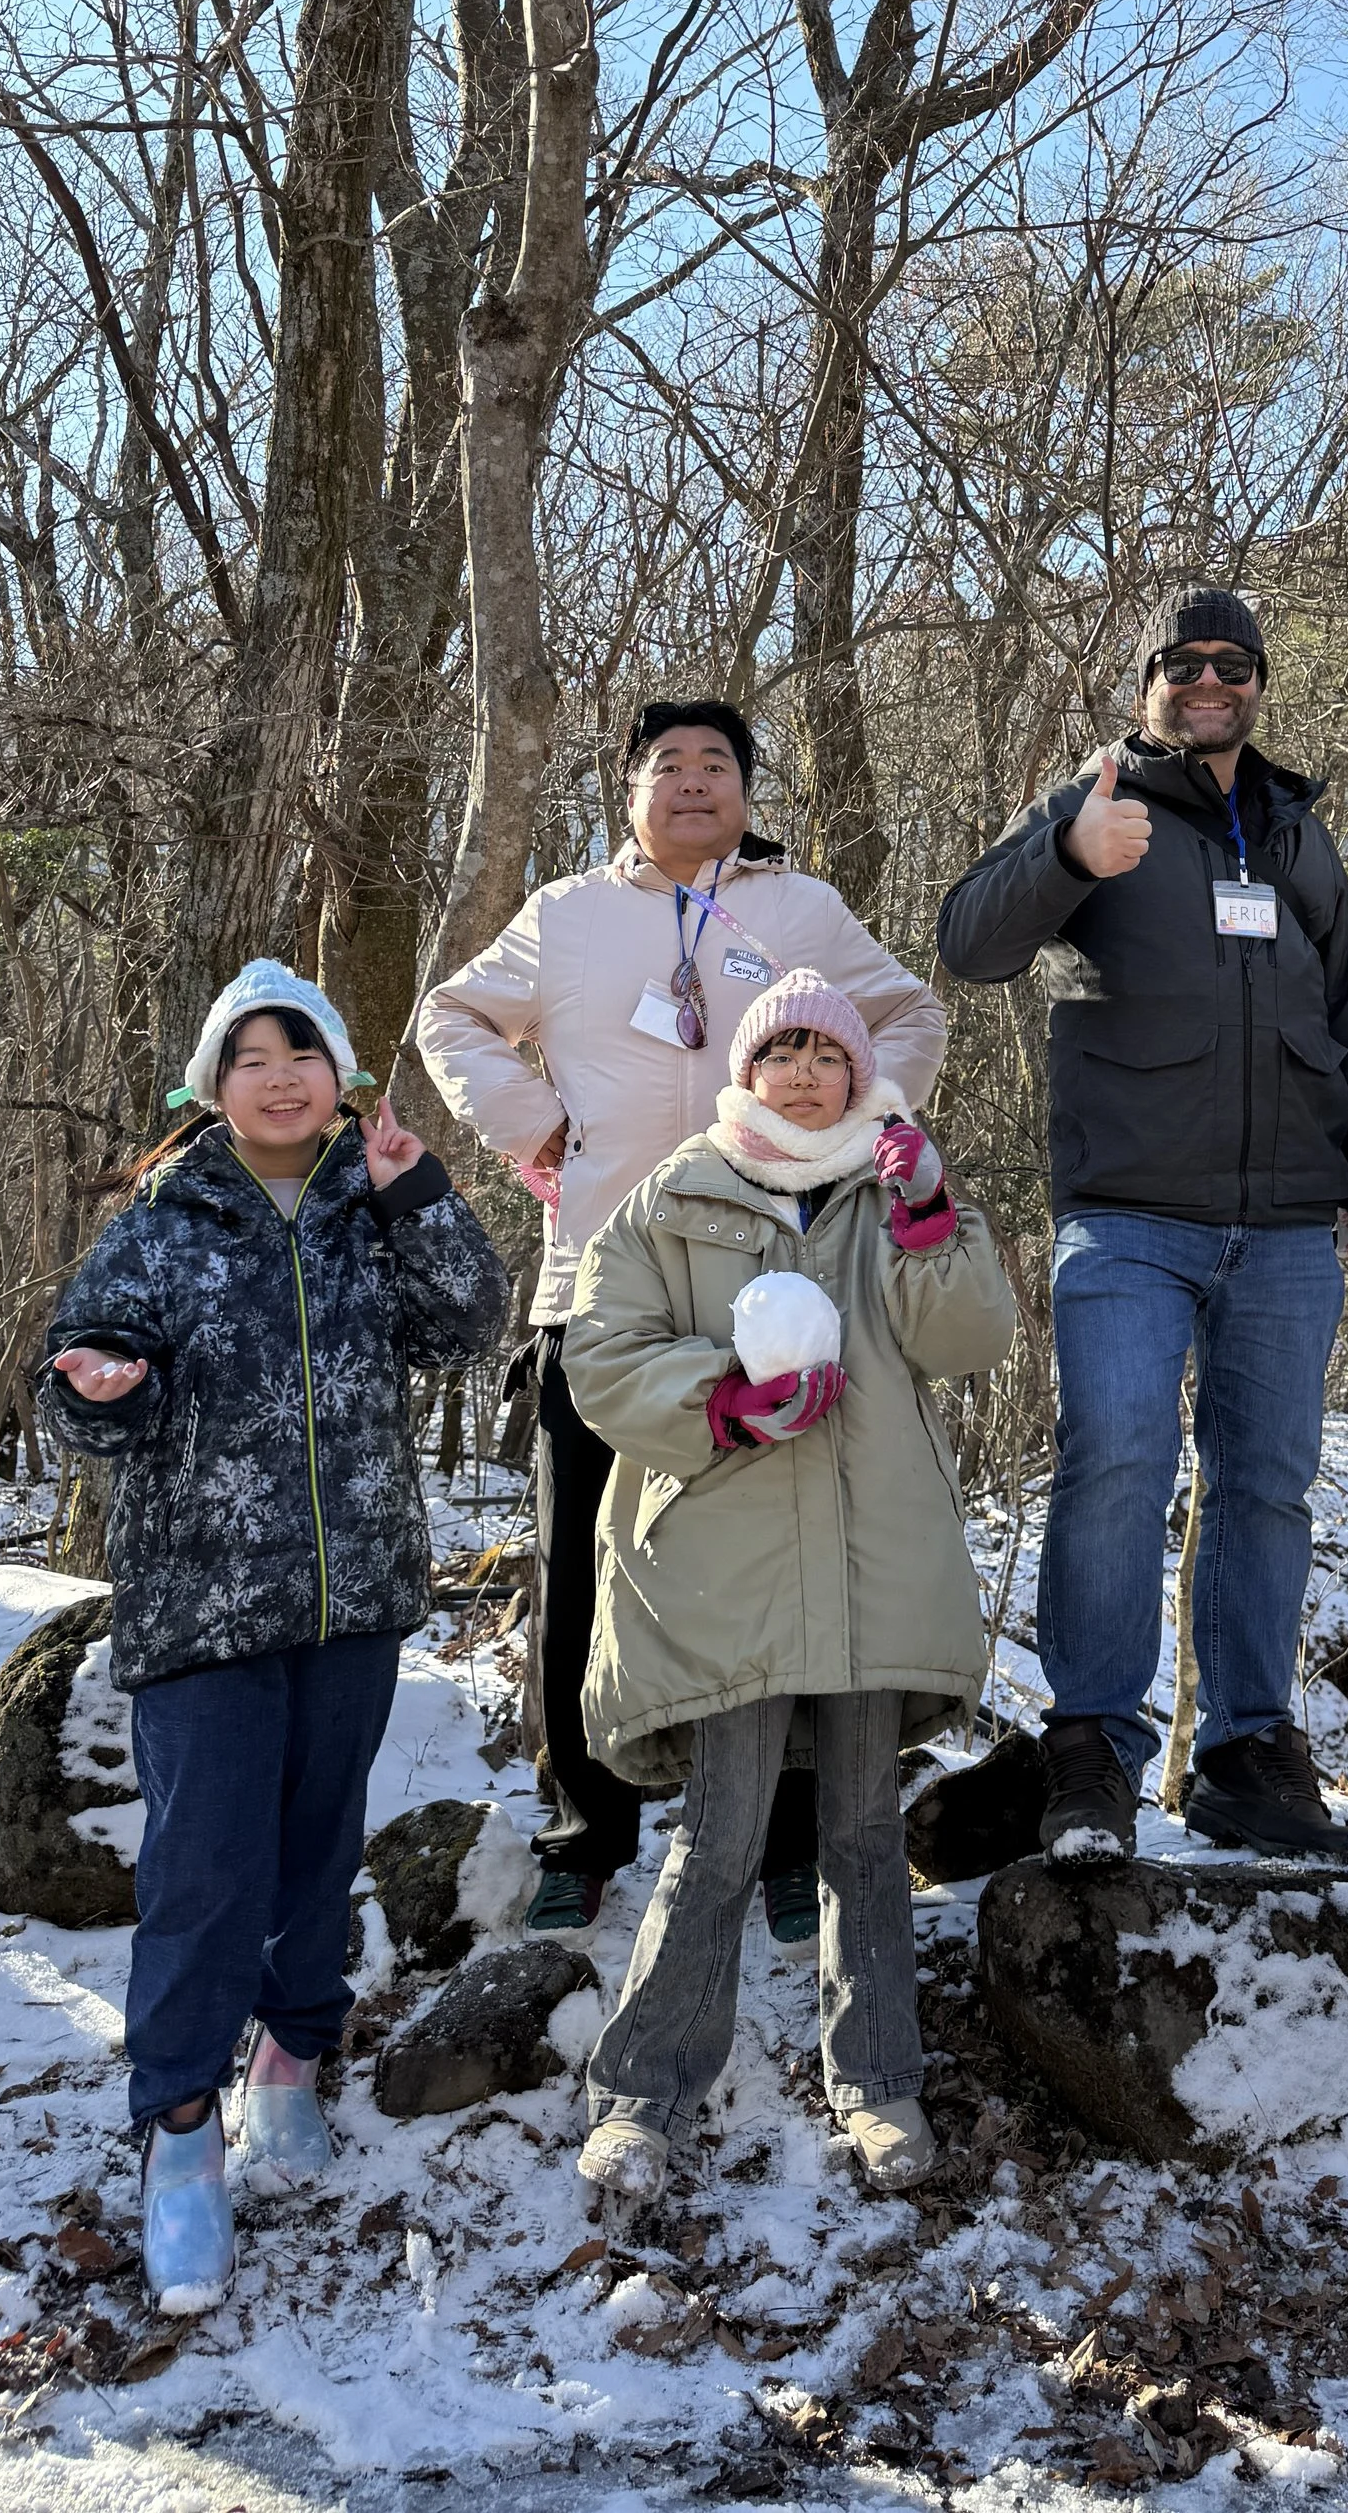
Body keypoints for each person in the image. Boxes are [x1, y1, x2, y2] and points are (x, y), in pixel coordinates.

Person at [415, 698, 946, 1941]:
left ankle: (782, 1839)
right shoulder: (565, 917)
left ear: (749, 793)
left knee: (788, 1567)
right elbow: (448, 1014)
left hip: (784, 1295)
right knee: (583, 1564)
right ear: (630, 791)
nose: (693, 782)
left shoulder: (800, 912)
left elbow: (911, 1013)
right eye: (669, 764)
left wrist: (856, 1125)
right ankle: (584, 1828)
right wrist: (530, 1123)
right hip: (597, 1289)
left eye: (718, 763)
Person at [42, 960, 510, 2313]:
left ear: (339, 1077)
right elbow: (80, 1387)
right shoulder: (160, 1221)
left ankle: (294, 2057)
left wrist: (420, 1186)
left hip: (351, 1595)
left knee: (315, 1847)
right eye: (249, 1055)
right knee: (203, 1870)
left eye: (299, 1048)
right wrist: (106, 1393)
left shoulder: (373, 1209)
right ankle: (180, 2135)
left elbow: (469, 1325)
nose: (278, 1072)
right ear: (212, 1085)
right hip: (199, 1601)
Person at [936, 583, 1348, 1865]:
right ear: (1145, 679)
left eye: (1233, 662)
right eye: (1182, 662)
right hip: (1130, 1218)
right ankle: (1089, 1747)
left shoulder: (1302, 835)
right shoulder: (1097, 803)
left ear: (1258, 680)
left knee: (1265, 1488)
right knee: (1115, 1468)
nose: (1210, 680)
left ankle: (1247, 1753)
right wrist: (1064, 855)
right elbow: (967, 943)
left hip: (1290, 1227)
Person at [560, 973, 1015, 2211]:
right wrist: (721, 1398)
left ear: (859, 1073)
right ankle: (641, 2096)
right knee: (717, 1836)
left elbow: (971, 1340)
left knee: (863, 1835)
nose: (804, 1072)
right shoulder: (675, 1195)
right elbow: (600, 1353)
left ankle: (879, 2084)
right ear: (745, 1071)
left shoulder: (895, 1187)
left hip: (873, 1562)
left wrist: (929, 1219)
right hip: (721, 1566)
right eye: (782, 1052)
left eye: (827, 1054)